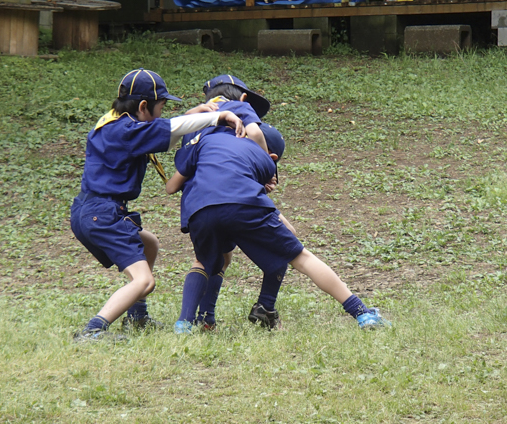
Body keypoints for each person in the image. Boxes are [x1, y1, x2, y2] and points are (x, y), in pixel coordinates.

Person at [70, 68, 246, 342]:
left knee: (148, 243)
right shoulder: (127, 132)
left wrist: (196, 113)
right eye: (161, 107)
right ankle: (94, 328)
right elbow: (170, 129)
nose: (163, 113)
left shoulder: (114, 124)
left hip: (88, 210)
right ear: (143, 106)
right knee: (144, 281)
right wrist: (220, 115)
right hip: (102, 214)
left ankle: (137, 317)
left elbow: (163, 130)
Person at [165, 124, 391, 334]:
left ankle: (192, 322)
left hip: (199, 209)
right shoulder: (258, 156)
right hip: (241, 205)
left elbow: (174, 185)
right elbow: (245, 192)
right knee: (298, 255)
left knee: (206, 261)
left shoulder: (207, 138)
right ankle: (361, 313)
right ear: (271, 157)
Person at [178, 75, 293, 331]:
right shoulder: (240, 118)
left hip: (198, 203)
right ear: (242, 100)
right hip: (234, 199)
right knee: (288, 240)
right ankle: (265, 305)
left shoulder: (196, 126)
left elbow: (176, 178)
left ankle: (200, 319)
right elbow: (252, 132)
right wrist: (266, 166)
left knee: (213, 258)